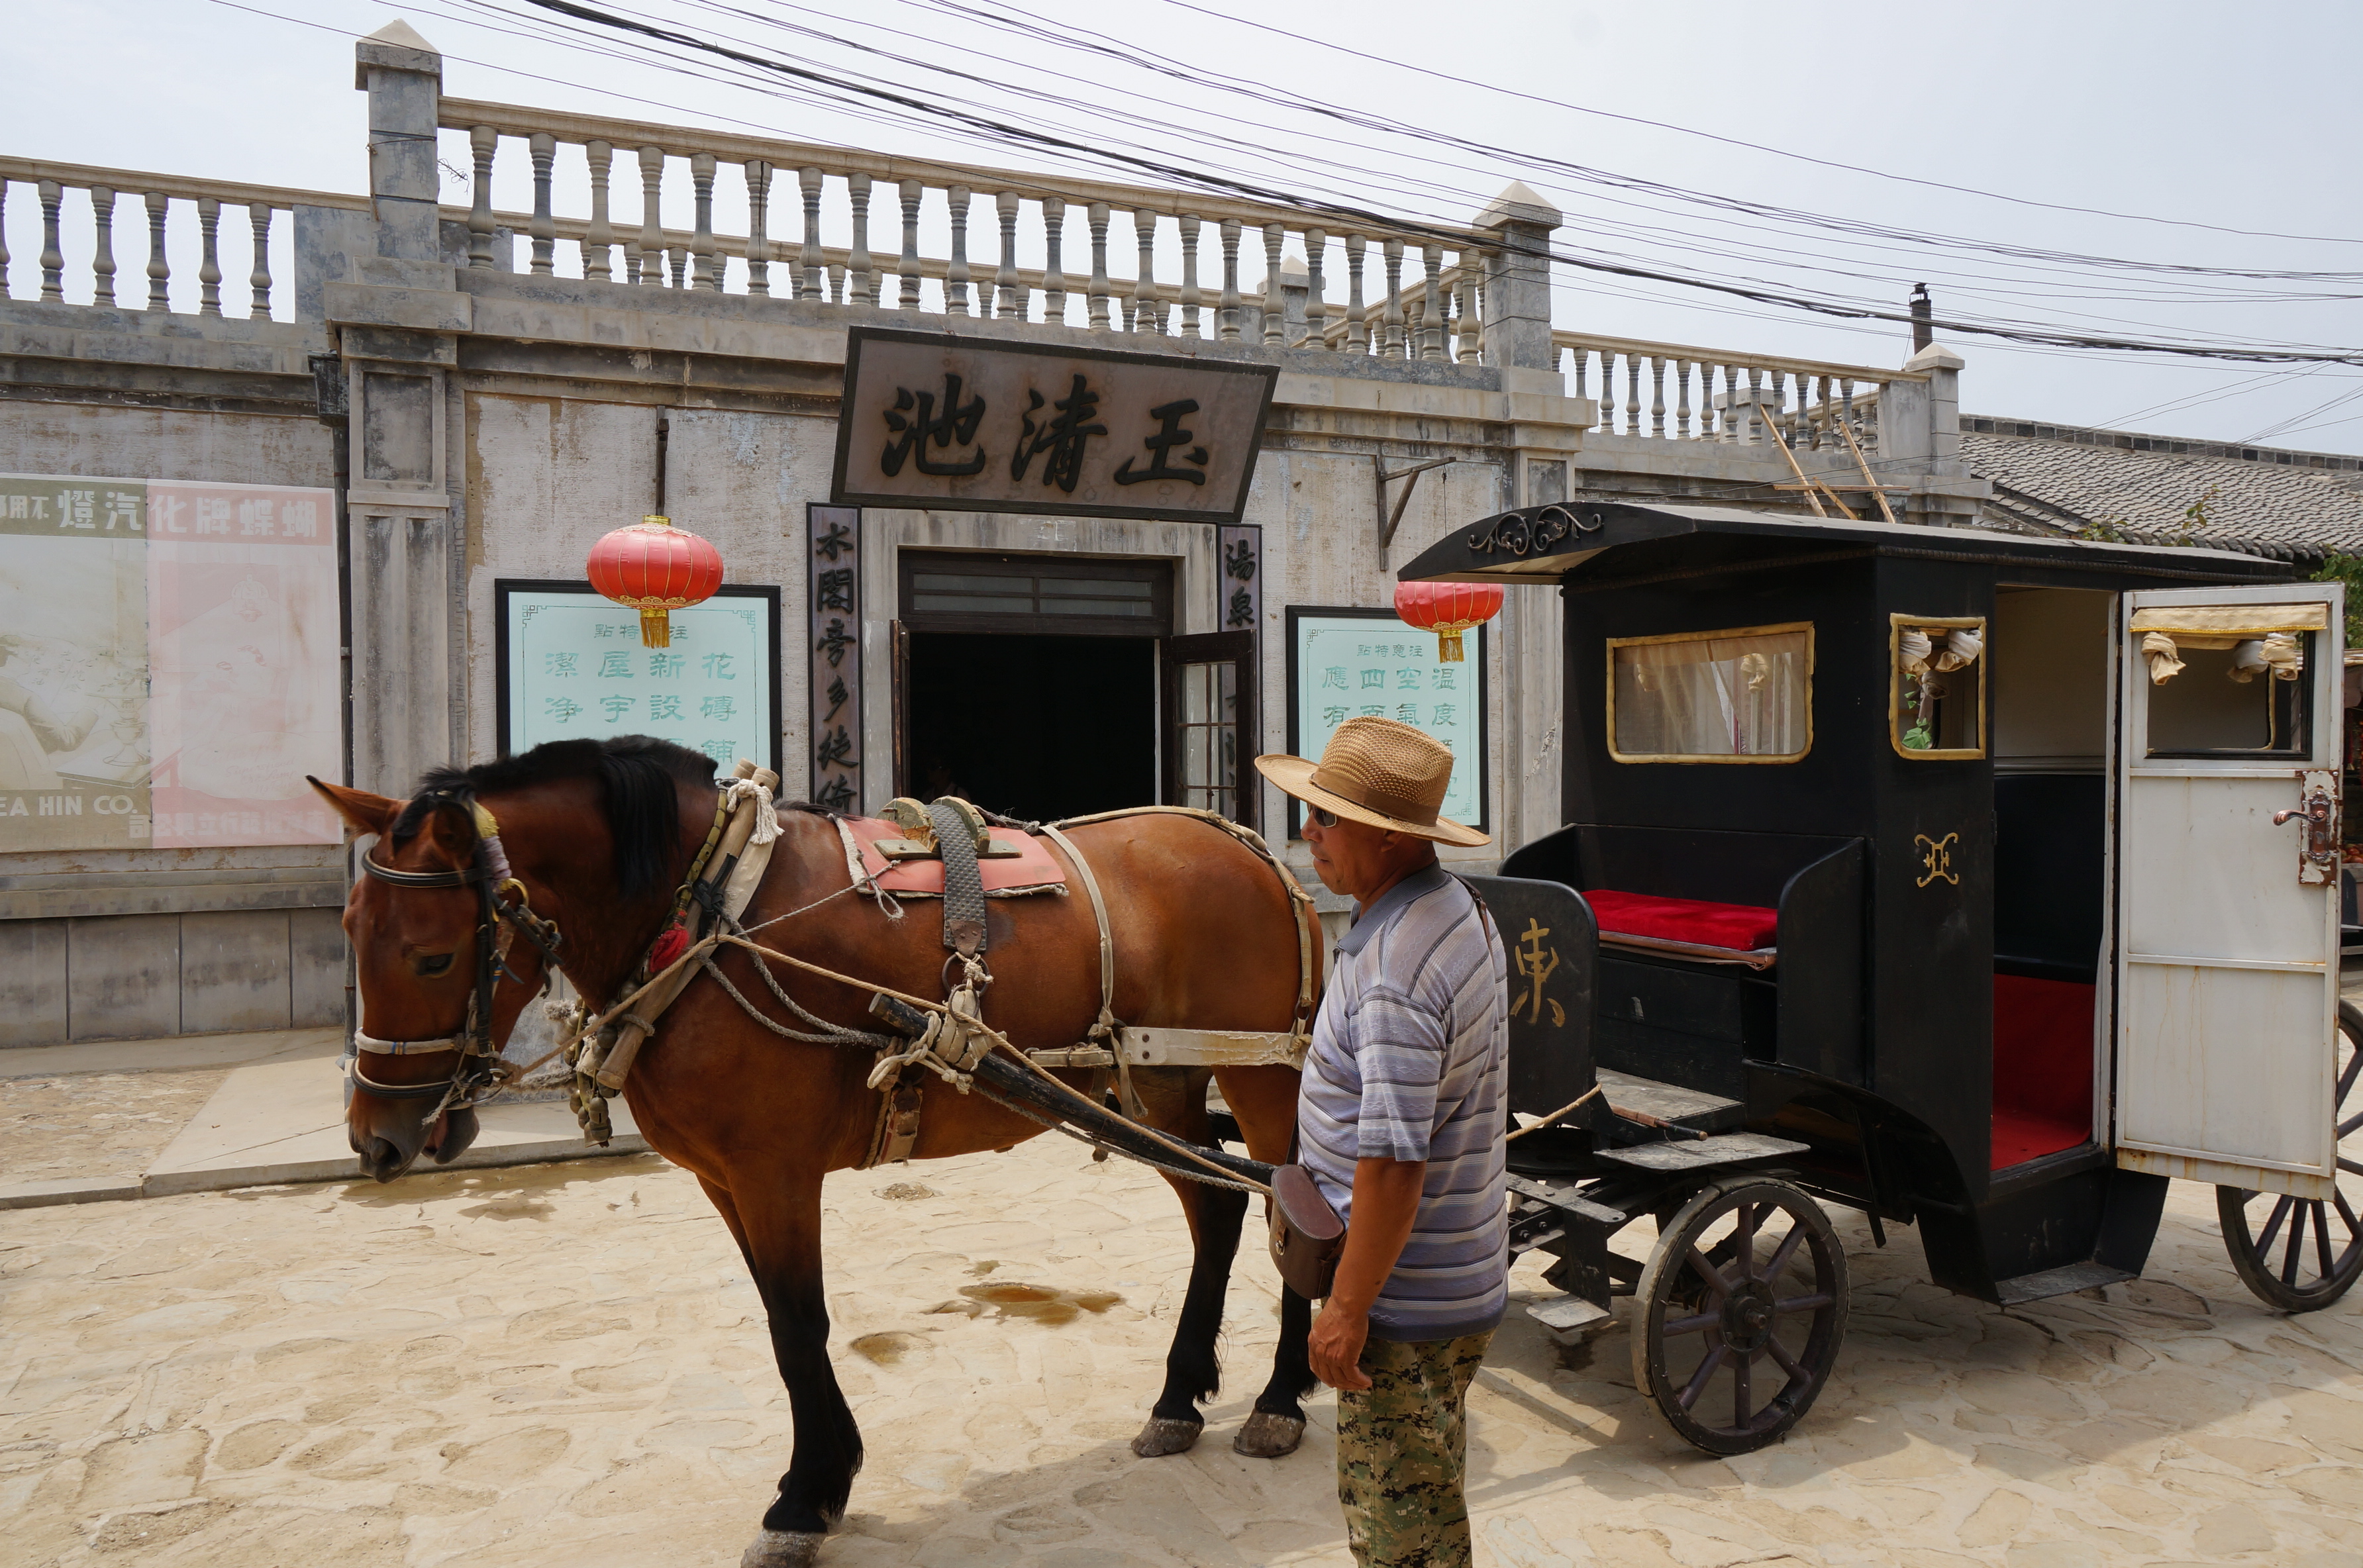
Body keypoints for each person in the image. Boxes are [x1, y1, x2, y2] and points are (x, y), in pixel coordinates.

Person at [1254, 715, 1508, 1568]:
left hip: (1405, 1304)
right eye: (1311, 811)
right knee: (1424, 1500)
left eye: (1329, 818)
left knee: (1402, 1533)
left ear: (1393, 838)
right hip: (1444, 1274)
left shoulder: (1399, 971)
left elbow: (1395, 1165)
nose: (1309, 832)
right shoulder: (1451, 905)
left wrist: (1348, 1311)